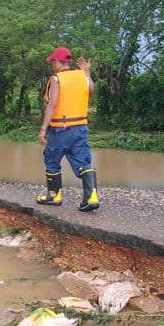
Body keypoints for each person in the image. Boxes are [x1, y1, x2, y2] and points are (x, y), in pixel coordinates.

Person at [36, 46, 99, 212]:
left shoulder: (57, 79)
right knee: (83, 161)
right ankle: (91, 197)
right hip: (80, 128)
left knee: (51, 159)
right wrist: (87, 72)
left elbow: (53, 104)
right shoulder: (82, 76)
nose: (52, 66)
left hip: (61, 129)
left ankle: (54, 195)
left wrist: (43, 129)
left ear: (57, 62)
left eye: (52, 62)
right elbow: (91, 91)